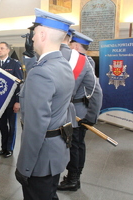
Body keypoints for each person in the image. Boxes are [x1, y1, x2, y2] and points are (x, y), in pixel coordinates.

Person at [15, 8, 75, 200]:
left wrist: (24, 167)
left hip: (39, 161)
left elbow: (35, 127)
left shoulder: (41, 73)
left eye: (33, 35)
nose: (31, 39)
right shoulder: (63, 64)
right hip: (56, 152)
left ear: (42, 34)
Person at [57, 29, 103, 192]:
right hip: (74, 110)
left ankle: (74, 179)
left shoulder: (85, 61)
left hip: (77, 111)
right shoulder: (85, 60)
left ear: (74, 46)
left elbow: (96, 91)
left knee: (75, 146)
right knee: (74, 145)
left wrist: (91, 116)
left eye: (70, 44)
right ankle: (72, 177)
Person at [0, 42, 23, 158]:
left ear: (8, 50)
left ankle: (10, 148)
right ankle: (3, 147)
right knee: (2, 126)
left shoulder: (15, 64)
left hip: (11, 102)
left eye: (2, 48)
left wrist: (18, 101)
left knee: (11, 126)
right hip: (0, 103)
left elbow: (20, 84)